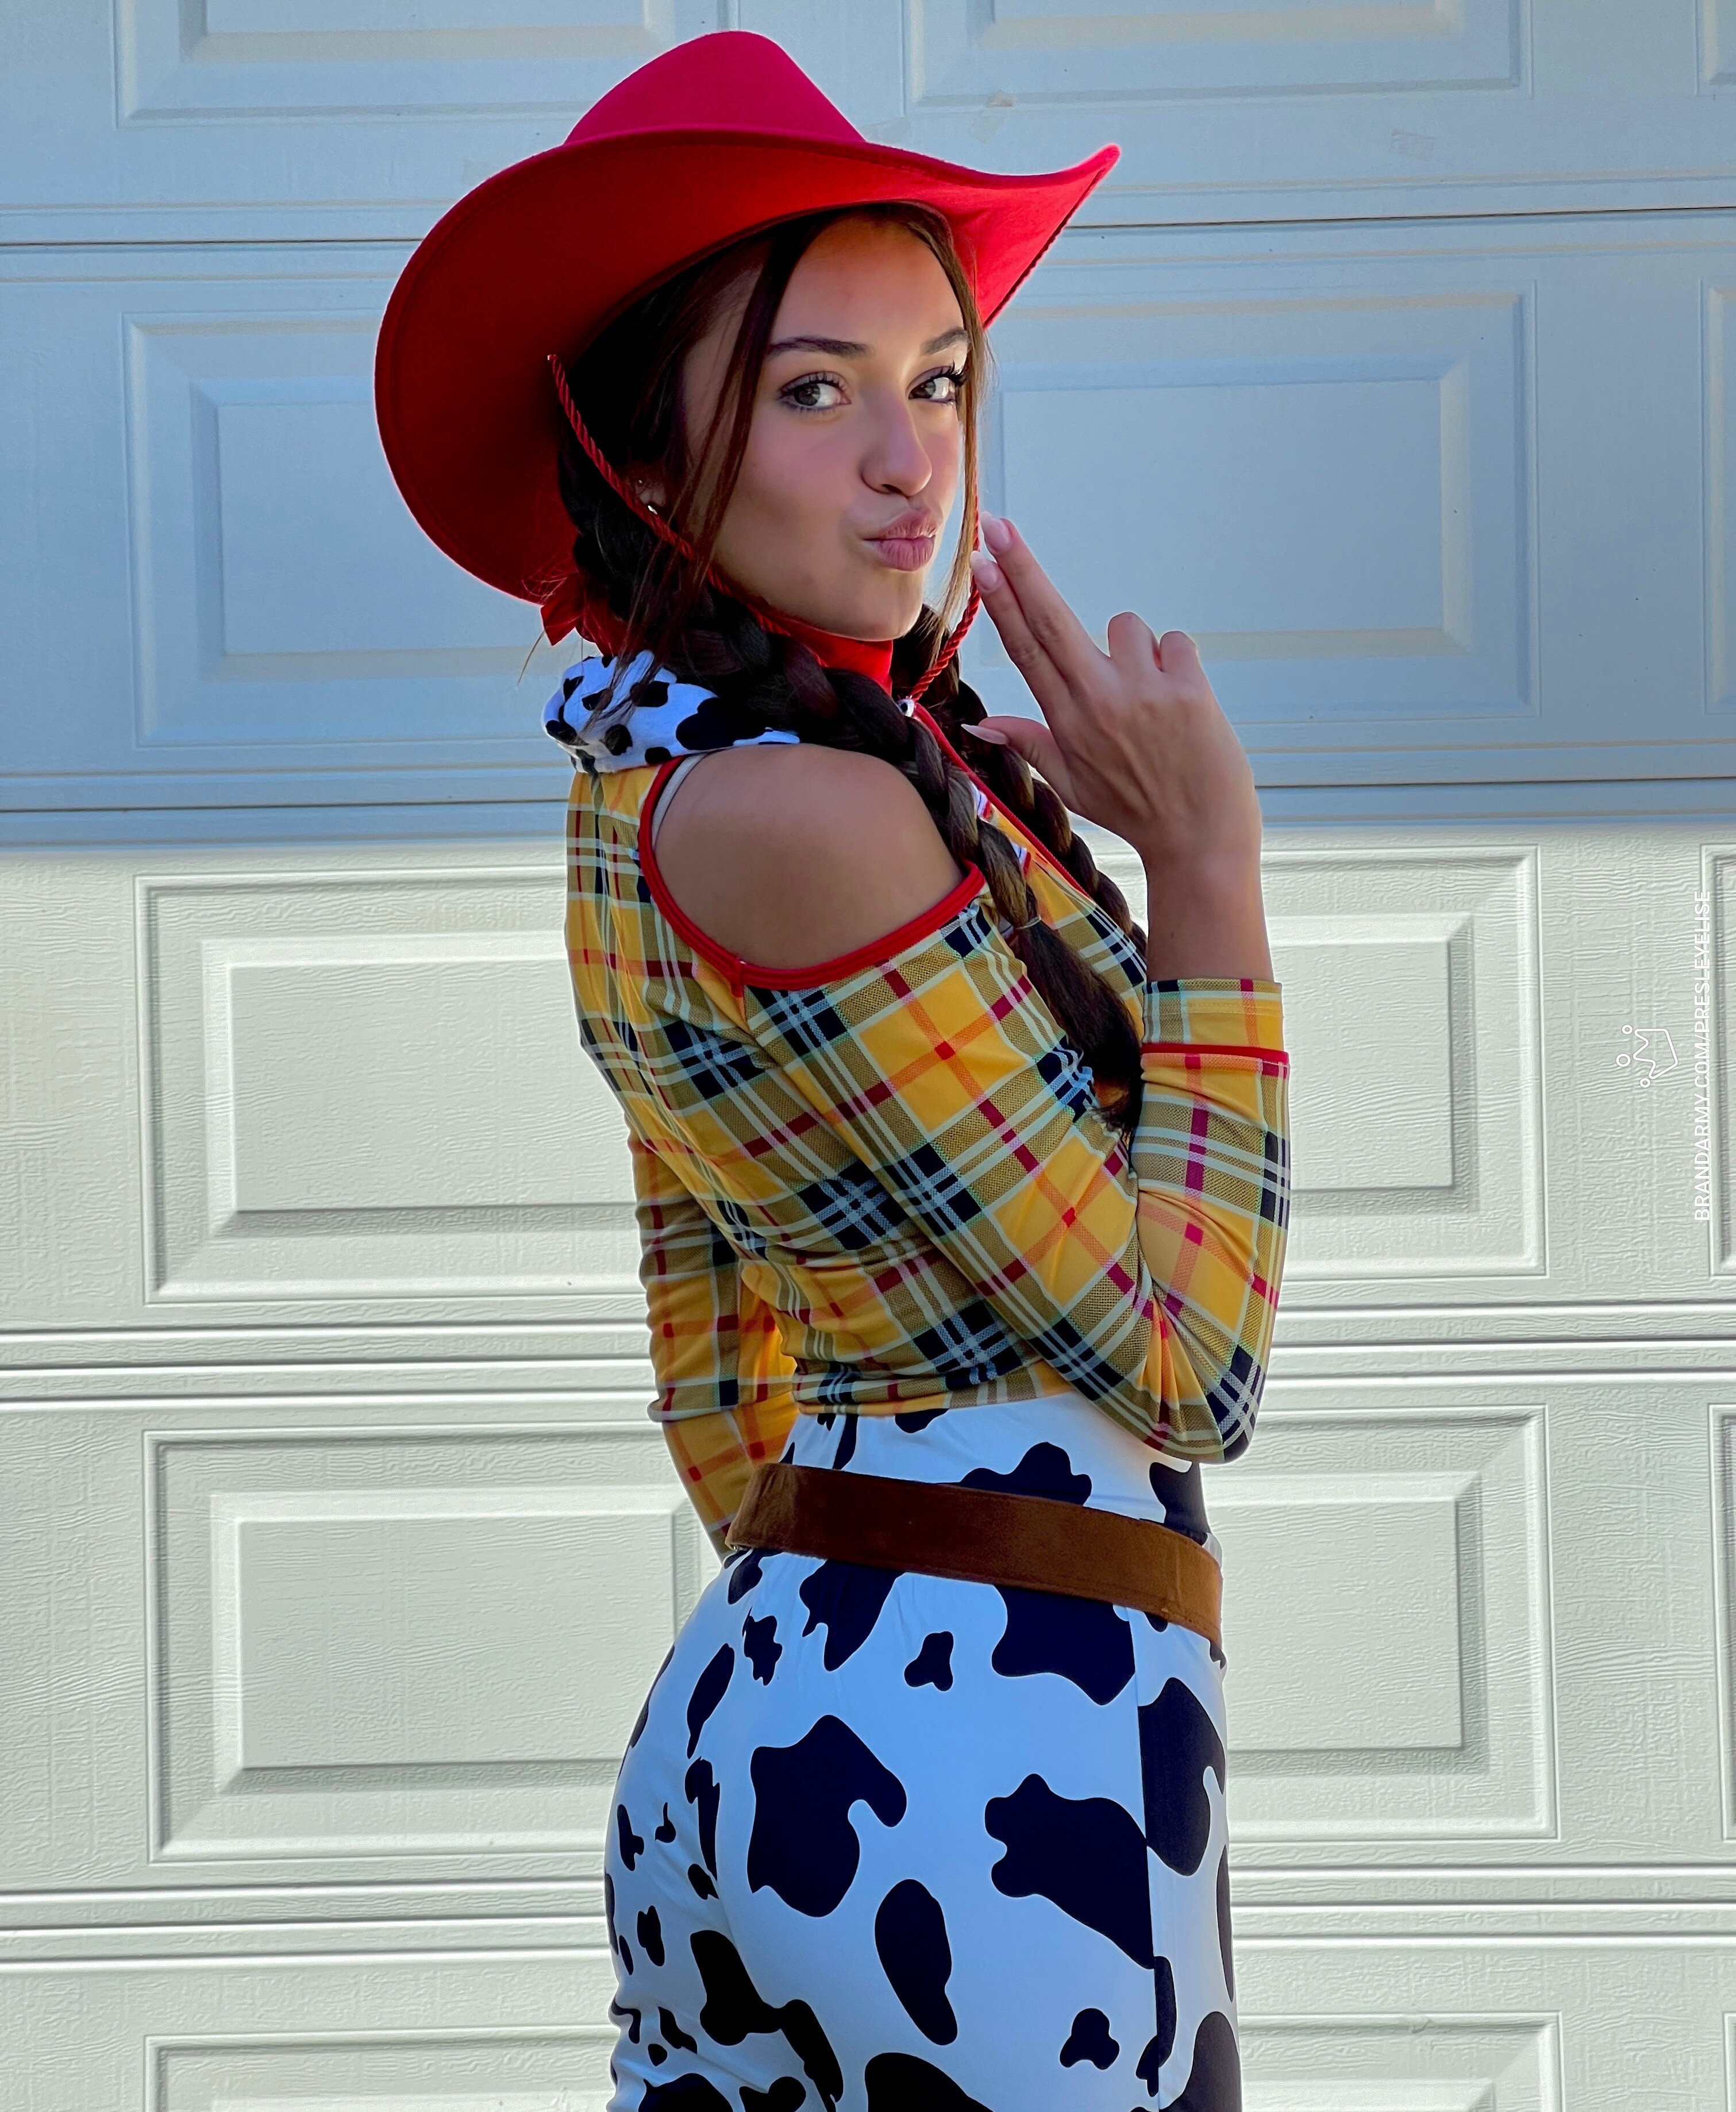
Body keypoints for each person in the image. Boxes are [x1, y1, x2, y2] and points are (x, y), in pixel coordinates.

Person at [376, 31, 1291, 2111]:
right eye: (814, 391)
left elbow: (716, 1356)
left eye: (937, 381)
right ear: (641, 447)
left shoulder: (667, 777)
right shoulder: (820, 813)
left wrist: (847, 1624)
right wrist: (1209, 862)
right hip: (987, 1769)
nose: (908, 460)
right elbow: (1193, 1364)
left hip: (833, 1724)